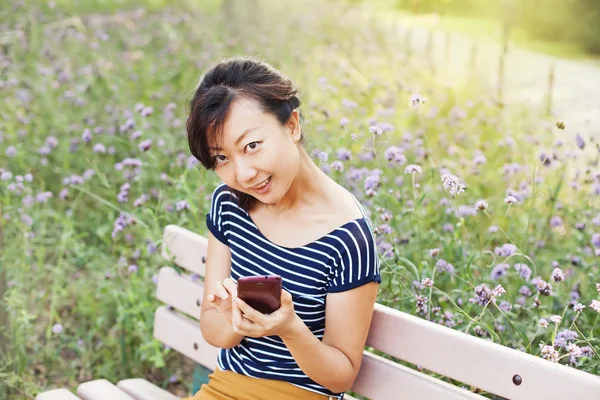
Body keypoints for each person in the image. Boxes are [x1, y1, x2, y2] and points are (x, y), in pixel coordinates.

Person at [183, 56, 381, 400]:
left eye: (251, 146)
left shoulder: (347, 237)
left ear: (292, 125)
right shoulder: (230, 204)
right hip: (224, 389)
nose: (242, 174)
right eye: (222, 158)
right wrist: (232, 318)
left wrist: (290, 329)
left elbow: (340, 376)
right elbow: (211, 325)